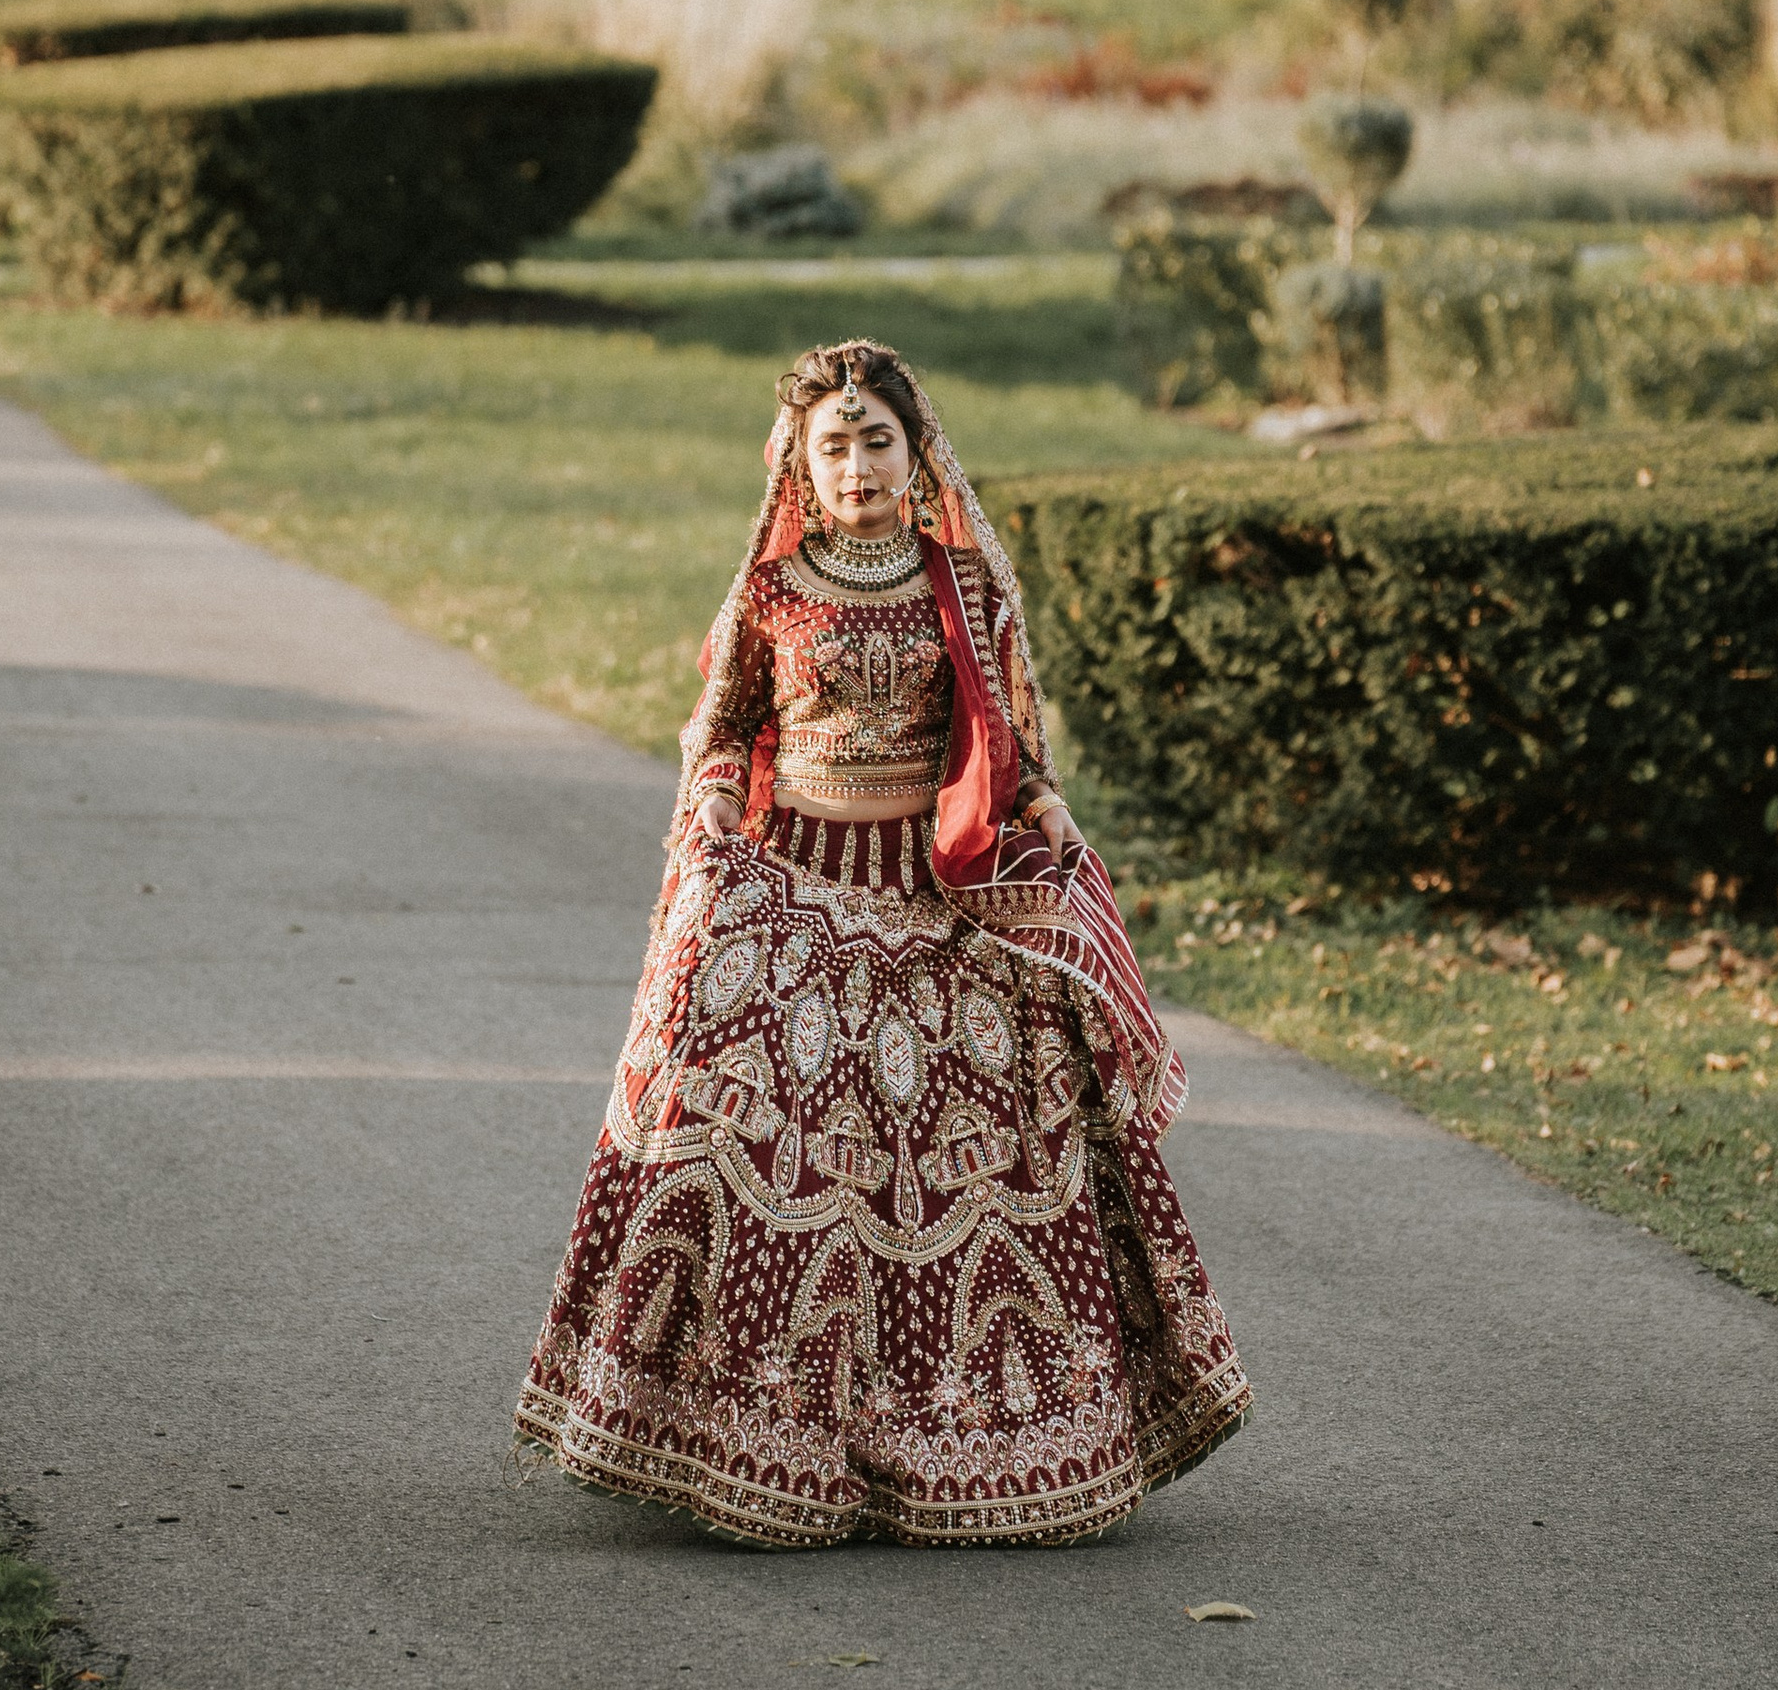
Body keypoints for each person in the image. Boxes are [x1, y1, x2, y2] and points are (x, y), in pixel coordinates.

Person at [516, 340, 1249, 1547]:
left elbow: (1017, 747)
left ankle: (986, 1445)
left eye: (876, 441)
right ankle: (753, 1443)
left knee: (990, 1157)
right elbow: (719, 731)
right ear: (797, 467)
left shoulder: (964, 588)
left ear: (916, 453)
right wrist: (708, 806)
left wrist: (1046, 817)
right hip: (793, 893)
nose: (855, 464)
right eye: (832, 446)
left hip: (942, 901)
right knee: (740, 1136)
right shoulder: (771, 588)